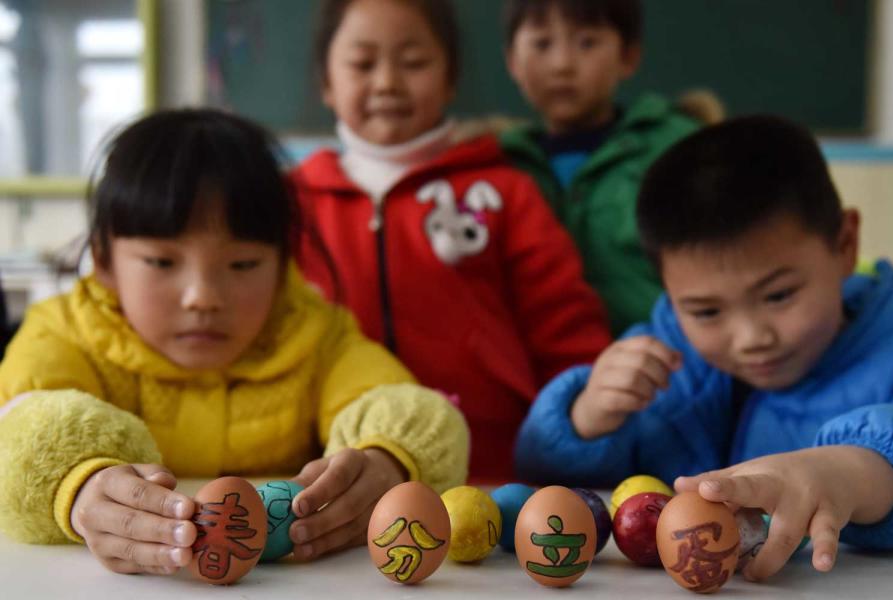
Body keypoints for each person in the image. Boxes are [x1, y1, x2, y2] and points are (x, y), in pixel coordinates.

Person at [0, 109, 469, 574]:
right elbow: (18, 424)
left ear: (284, 264)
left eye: (242, 265)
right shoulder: (63, 332)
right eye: (163, 262)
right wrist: (76, 486)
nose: (202, 297)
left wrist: (389, 460)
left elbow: (410, 408)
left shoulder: (316, 335)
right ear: (104, 261)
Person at [515, 115, 893, 581]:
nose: (752, 339)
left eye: (778, 295)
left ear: (845, 244)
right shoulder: (666, 352)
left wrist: (848, 473)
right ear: (668, 290)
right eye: (707, 311)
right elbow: (543, 471)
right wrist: (586, 418)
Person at [294, 0, 611, 480]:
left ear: (450, 78)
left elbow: (564, 323)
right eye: (362, 63)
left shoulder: (504, 191)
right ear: (325, 83)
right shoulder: (290, 202)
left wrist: (585, 424)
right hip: (334, 470)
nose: (387, 82)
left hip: (493, 466)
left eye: (414, 62)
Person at [499, 0, 717, 335]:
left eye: (587, 42)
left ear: (628, 57)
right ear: (513, 62)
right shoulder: (497, 167)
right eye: (542, 44)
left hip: (669, 359)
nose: (562, 65)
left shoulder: (676, 145)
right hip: (550, 368)